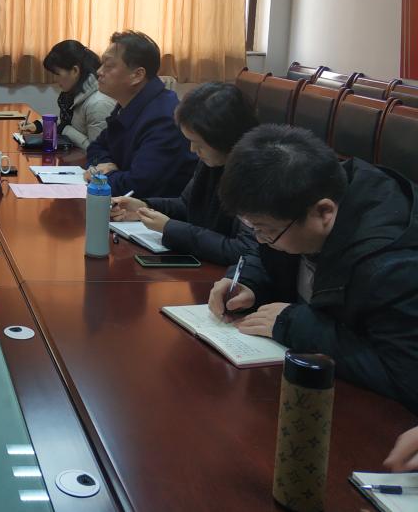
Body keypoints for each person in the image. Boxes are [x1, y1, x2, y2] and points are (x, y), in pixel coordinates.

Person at [207, 124, 418, 412]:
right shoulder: (298, 200)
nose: (259, 239)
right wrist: (248, 281)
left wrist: (298, 326)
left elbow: (405, 378)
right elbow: (266, 250)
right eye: (252, 228)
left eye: (266, 230)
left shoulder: (390, 267)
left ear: (324, 212)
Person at [110, 82, 258, 265]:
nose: (193, 150)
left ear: (224, 138)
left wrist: (169, 228)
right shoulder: (213, 159)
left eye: (199, 144)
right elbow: (187, 205)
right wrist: (144, 206)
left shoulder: (256, 174)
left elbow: (243, 250)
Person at [84, 30, 197, 198]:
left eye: (109, 66)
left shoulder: (165, 118)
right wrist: (105, 165)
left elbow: (136, 187)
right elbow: (96, 147)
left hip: (154, 210)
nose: (99, 71)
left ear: (137, 75)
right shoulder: (128, 104)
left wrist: (101, 175)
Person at [18, 40, 114, 150]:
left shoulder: (99, 104)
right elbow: (67, 122)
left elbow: (98, 152)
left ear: (75, 71)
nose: (55, 80)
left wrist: (65, 130)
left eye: (57, 74)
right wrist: (38, 126)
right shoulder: (76, 93)